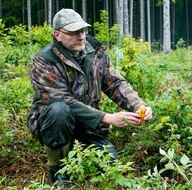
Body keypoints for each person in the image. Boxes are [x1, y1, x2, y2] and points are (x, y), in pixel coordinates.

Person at [27, 8, 152, 185]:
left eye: (83, 30)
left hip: (87, 126)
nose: (82, 37)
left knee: (109, 160)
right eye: (74, 32)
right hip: (54, 122)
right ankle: (57, 172)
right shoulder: (45, 60)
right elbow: (61, 100)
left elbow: (114, 82)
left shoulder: (95, 52)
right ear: (57, 35)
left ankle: (79, 150)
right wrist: (107, 118)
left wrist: (139, 106)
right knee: (59, 110)